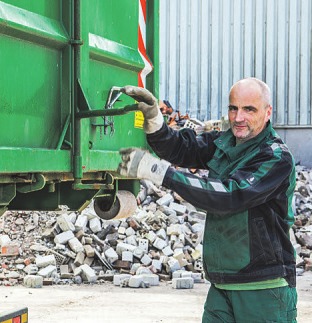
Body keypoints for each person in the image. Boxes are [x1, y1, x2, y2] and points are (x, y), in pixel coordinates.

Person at [118, 78, 297, 322]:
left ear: (268, 112)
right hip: (222, 285)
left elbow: (229, 195)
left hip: (263, 288)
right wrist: (155, 122)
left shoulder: (275, 157)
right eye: (233, 108)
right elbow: (182, 148)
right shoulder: (225, 144)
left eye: (249, 109)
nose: (238, 117)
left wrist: (162, 173)